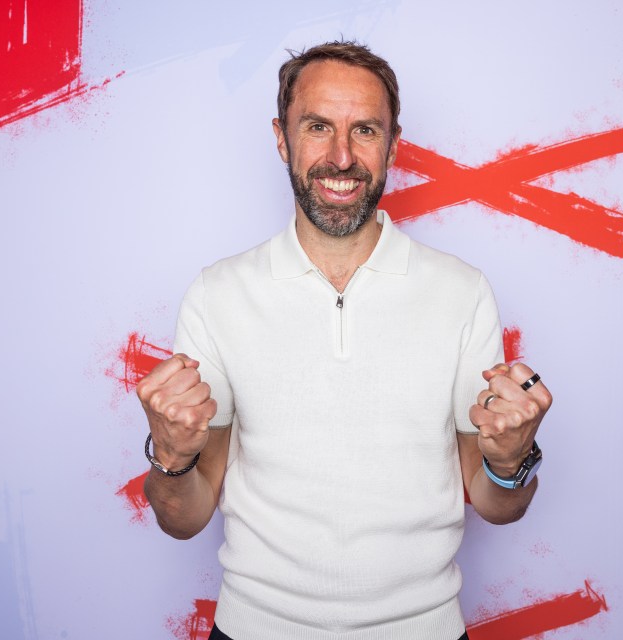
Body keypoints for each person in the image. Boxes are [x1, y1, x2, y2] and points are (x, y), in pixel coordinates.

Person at [137, 40, 552, 640]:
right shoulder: (217, 294)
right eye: (316, 127)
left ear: (392, 144)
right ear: (281, 138)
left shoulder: (462, 292)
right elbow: (186, 519)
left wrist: (512, 461)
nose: (340, 156)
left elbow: (496, 504)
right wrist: (171, 457)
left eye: (364, 130)